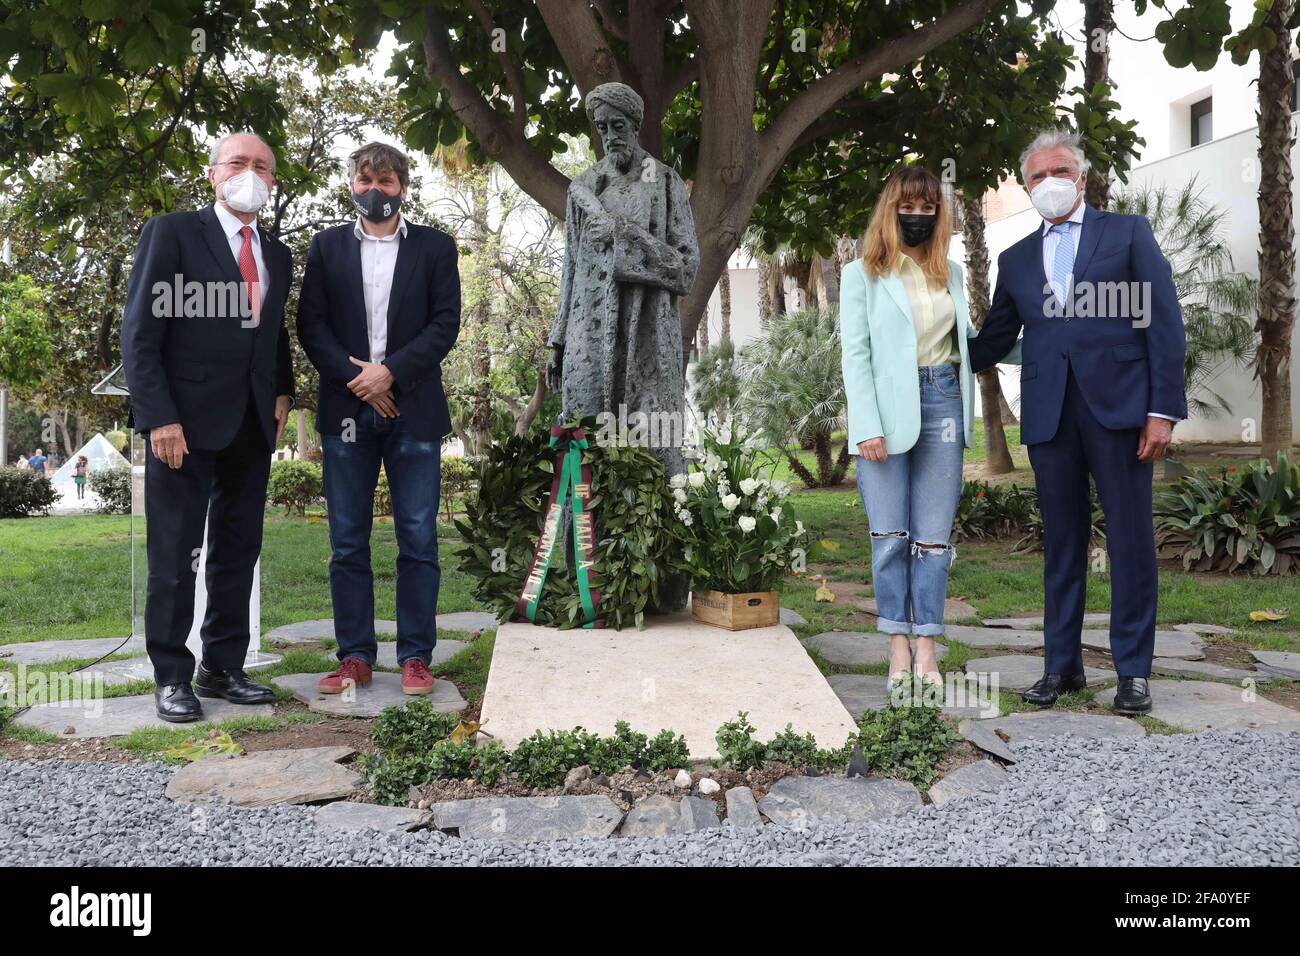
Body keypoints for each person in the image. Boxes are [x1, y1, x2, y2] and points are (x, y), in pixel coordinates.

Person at [968, 128, 1187, 715]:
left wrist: (1161, 410)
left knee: (1131, 542)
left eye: (1058, 171)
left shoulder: (1128, 233)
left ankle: (1133, 674)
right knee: (1062, 543)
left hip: (1120, 413)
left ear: (1082, 177)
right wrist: (925, 347)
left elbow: (1163, 322)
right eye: (1037, 176)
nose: (1048, 183)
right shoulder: (1014, 260)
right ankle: (1061, 666)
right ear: (1025, 185)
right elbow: (991, 340)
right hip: (1049, 418)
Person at [120, 131, 295, 723]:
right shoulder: (171, 233)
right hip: (183, 424)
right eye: (239, 163)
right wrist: (158, 416)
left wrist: (284, 391)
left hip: (252, 422)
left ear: (273, 181)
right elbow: (141, 333)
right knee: (177, 552)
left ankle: (222, 667)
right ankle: (172, 675)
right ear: (214, 173)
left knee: (237, 551)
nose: (251, 173)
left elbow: (271, 332)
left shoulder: (277, 253)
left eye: (263, 167)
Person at [297, 142, 461, 697]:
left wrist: (389, 374)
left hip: (414, 411)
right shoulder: (326, 248)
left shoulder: (437, 248)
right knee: (347, 540)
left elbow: (444, 326)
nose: (375, 190)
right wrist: (361, 382)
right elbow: (311, 326)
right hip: (346, 412)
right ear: (351, 186)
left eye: (386, 181)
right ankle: (355, 657)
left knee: (418, 538)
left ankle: (416, 656)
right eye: (365, 179)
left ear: (404, 188)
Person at [840, 166, 1006, 694]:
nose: (917, 215)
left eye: (928, 207)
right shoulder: (861, 274)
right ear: (891, 209)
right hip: (886, 413)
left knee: (932, 541)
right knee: (890, 537)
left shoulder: (950, 273)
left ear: (939, 214)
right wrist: (866, 425)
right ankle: (896, 647)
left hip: (942, 403)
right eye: (907, 206)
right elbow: (856, 355)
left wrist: (1042, 337)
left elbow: (968, 341)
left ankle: (928, 648)